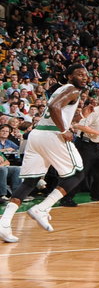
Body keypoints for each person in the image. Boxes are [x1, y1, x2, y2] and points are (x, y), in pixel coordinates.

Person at [0, 63, 90, 243]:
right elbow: (54, 107)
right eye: (80, 74)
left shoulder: (64, 89)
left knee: (31, 181)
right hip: (51, 135)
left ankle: (4, 222)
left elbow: (57, 110)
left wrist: (82, 116)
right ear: (70, 76)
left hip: (37, 135)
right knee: (78, 174)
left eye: (86, 75)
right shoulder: (72, 89)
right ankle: (42, 208)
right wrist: (64, 130)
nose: (84, 77)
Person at [63, 92, 99, 205]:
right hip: (84, 144)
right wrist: (97, 132)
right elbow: (79, 126)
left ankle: (96, 194)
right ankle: (66, 198)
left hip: (95, 146)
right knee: (81, 172)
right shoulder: (94, 111)